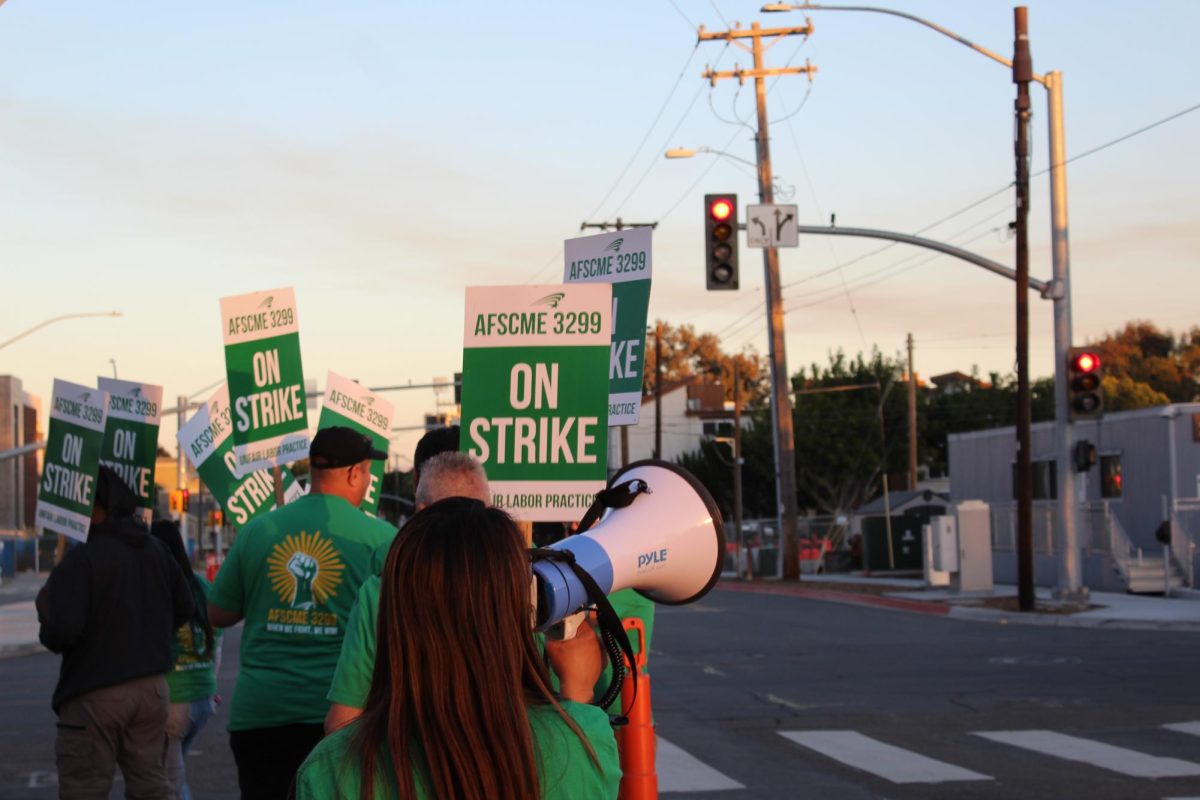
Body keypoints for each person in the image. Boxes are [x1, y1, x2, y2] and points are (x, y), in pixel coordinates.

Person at [295, 498, 621, 799]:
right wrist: (577, 689)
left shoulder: (330, 769)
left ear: (395, 616)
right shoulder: (586, 741)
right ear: (516, 611)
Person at [208, 426, 396, 800]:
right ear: (354, 473)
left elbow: (217, 612)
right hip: (341, 716)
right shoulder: (381, 539)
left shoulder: (258, 530)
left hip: (260, 714)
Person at [37, 466, 194, 800]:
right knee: (152, 786)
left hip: (96, 691)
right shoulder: (155, 550)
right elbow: (185, 605)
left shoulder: (84, 558)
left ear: (96, 507)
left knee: (85, 788)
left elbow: (59, 629)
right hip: (152, 690)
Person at [324, 450, 490, 733]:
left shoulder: (382, 592)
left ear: (422, 513)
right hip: (504, 765)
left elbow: (342, 721)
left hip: (406, 762)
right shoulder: (527, 586)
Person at [150, 519, 223, 800]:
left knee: (168, 784)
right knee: (171, 773)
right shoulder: (202, 586)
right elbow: (217, 642)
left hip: (174, 699)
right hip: (202, 696)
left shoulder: (159, 589)